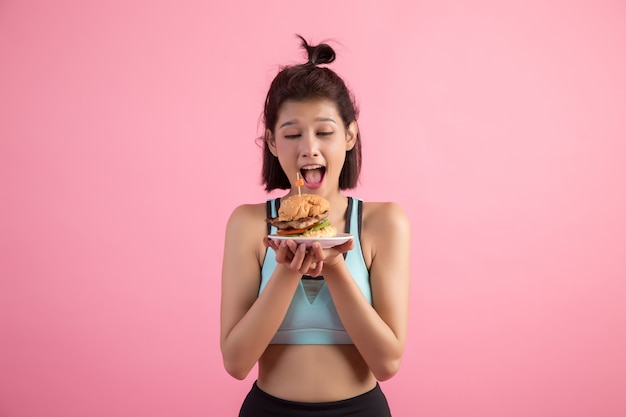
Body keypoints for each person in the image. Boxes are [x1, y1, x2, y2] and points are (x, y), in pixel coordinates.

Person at [220, 35, 411, 417]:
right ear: (273, 143)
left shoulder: (383, 222)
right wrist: (288, 271)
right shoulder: (249, 224)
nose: (309, 148)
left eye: (324, 132)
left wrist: (336, 265)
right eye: (292, 135)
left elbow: (387, 364)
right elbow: (236, 363)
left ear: (350, 136)